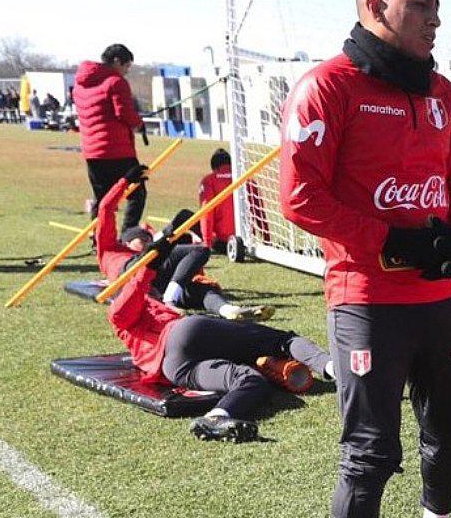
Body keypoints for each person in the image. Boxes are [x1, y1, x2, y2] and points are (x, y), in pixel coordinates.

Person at [277, 0, 451, 518]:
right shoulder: (328, 87)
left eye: (436, 4)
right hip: (366, 300)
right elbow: (301, 197)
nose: (434, 17)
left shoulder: (443, 94)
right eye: (419, 3)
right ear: (374, 5)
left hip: (439, 300)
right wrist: (390, 242)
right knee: (370, 455)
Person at [106, 257, 332, 443]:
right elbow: (123, 306)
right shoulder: (127, 308)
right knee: (283, 340)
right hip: (183, 334)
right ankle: (333, 367)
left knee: (251, 380)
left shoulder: (136, 329)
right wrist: (146, 271)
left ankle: (216, 418)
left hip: (174, 368)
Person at [94, 167, 273, 321]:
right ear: (127, 241)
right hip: (133, 273)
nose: (147, 240)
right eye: (143, 239)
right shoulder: (109, 249)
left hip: (157, 279)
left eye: (148, 238)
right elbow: (105, 208)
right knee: (188, 238)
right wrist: (125, 182)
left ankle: (228, 310)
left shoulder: (150, 253)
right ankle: (168, 300)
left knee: (201, 284)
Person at [74, 44, 147, 232]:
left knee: (102, 198)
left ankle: (97, 237)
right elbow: (124, 113)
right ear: (117, 61)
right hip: (117, 150)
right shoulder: (116, 82)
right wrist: (139, 123)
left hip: (92, 152)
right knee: (136, 193)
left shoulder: (80, 85)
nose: (127, 71)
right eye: (126, 66)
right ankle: (128, 233)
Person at [198, 148, 238, 252]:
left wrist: (206, 243)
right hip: (243, 241)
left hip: (222, 242)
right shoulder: (246, 178)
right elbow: (259, 211)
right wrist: (267, 240)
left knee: (184, 216)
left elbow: (206, 213)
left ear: (214, 166)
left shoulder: (209, 180)